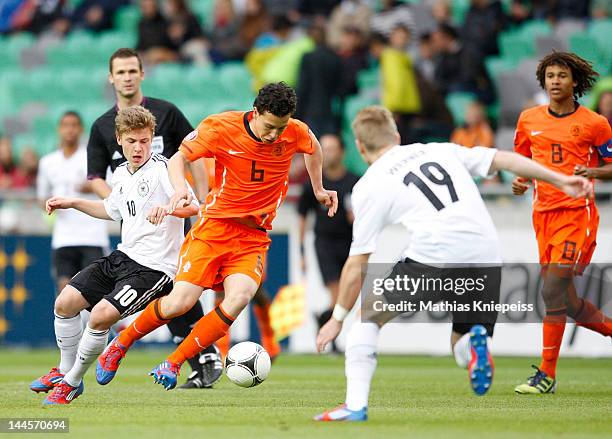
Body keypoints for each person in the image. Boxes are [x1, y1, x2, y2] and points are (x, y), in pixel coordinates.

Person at [314, 105, 593, 421]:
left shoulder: (369, 185)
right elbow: (502, 159)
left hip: (436, 253)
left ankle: (355, 406)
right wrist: (561, 180)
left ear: (360, 148)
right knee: (461, 341)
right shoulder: (439, 150)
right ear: (397, 135)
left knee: (367, 317)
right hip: (486, 252)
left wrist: (337, 317)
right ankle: (475, 347)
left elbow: (358, 261)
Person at [96, 82, 338, 390]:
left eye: (281, 128)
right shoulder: (221, 127)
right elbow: (178, 158)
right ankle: (121, 342)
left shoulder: (294, 130)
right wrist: (181, 190)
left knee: (239, 297)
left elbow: (313, 146)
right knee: (178, 303)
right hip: (214, 229)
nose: (274, 135)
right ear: (256, 112)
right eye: (269, 127)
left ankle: (173, 362)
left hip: (253, 237)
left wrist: (318, 188)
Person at [30, 106, 199, 405]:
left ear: (152, 139)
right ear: (119, 139)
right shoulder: (120, 173)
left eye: (145, 141)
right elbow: (111, 210)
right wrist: (72, 202)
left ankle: (71, 382)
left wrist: (171, 207)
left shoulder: (163, 169)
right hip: (123, 257)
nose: (138, 148)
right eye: (132, 141)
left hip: (155, 268)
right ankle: (65, 371)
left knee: (100, 316)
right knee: (65, 303)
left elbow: (192, 205)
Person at [86, 47, 220, 389]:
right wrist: (120, 202)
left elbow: (195, 154)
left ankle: (201, 356)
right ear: (111, 78)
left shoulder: (167, 112)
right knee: (166, 289)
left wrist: (202, 201)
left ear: (142, 74)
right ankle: (200, 357)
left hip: (175, 214)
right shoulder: (102, 125)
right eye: (121, 72)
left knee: (176, 284)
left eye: (133, 70)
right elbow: (95, 176)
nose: (127, 77)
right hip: (135, 222)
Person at [512, 52, 612, 394]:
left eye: (562, 76)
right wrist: (520, 181)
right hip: (543, 216)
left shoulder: (595, 123)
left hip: (576, 215)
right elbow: (524, 160)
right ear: (544, 81)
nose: (555, 81)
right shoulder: (528, 119)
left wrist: (595, 171)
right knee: (567, 303)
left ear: (575, 83)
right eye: (550, 75)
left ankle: (547, 374)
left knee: (552, 288)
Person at [298, 133, 359, 352]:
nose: (328, 153)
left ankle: (323, 318)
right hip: (324, 242)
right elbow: (302, 216)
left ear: (342, 152)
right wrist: (302, 251)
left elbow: (361, 212)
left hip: (350, 244)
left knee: (348, 294)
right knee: (337, 294)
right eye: (324, 148)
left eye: (332, 148)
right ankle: (333, 341)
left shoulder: (354, 181)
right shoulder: (314, 183)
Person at [37, 111, 110, 294]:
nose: (70, 130)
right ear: (59, 129)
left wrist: (93, 186)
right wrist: (50, 205)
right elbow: (41, 196)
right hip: (64, 237)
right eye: (65, 125)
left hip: (92, 235)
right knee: (64, 289)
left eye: (74, 125)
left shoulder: (93, 157)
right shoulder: (48, 162)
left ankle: (92, 323)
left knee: (94, 290)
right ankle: (71, 323)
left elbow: (111, 190)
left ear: (81, 129)